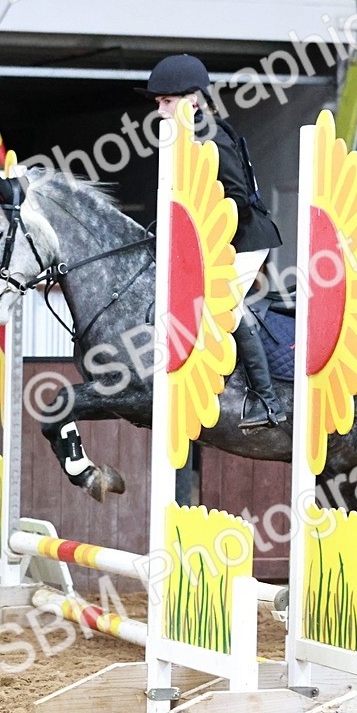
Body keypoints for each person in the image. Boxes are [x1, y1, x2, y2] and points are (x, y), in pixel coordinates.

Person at [137, 53, 286, 431]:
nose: (160, 110)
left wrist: (197, 234)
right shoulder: (187, 138)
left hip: (246, 237)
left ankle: (267, 402)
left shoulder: (211, 137)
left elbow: (234, 198)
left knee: (224, 309)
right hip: (222, 239)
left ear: (193, 101)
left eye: (167, 102)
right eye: (159, 103)